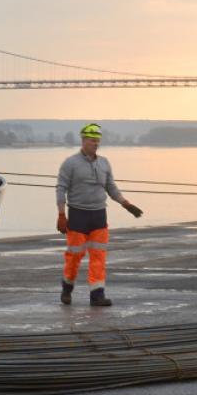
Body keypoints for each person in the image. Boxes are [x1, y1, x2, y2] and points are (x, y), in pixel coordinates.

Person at [55, 123, 142, 307]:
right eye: (92, 140)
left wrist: (126, 204)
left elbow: (111, 187)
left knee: (98, 257)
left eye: (98, 140)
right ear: (84, 140)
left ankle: (97, 295)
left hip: (98, 216)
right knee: (74, 256)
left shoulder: (104, 163)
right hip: (78, 215)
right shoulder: (70, 163)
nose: (96, 143)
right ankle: (67, 288)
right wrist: (61, 214)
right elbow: (61, 188)